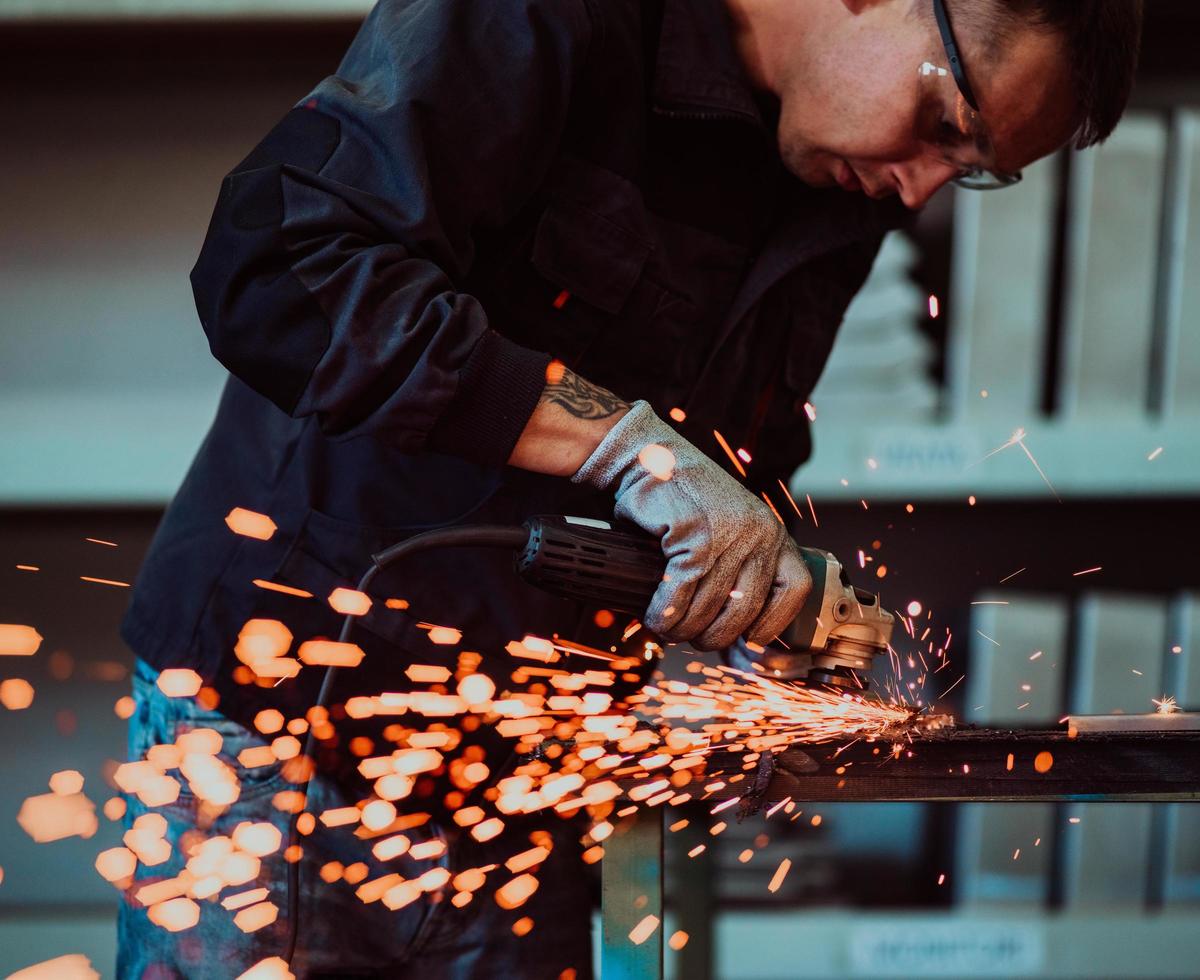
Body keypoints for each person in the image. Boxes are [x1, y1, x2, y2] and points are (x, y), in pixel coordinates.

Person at [116, 0, 1142, 975]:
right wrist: (628, 451)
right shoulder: (553, 17)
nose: (919, 186)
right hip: (281, 727)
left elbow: (734, 462)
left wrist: (753, 623)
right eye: (940, 120)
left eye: (969, 170)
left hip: (534, 762)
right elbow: (280, 264)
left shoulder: (838, 170)